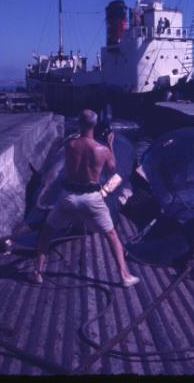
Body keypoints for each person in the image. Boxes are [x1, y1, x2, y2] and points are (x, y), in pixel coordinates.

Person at [29, 109, 140, 288]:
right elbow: (112, 170)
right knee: (111, 235)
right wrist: (110, 145)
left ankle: (37, 272)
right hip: (92, 199)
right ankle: (124, 276)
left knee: (46, 233)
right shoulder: (102, 150)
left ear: (79, 124)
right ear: (94, 126)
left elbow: (67, 162)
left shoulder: (70, 145)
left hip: (69, 198)